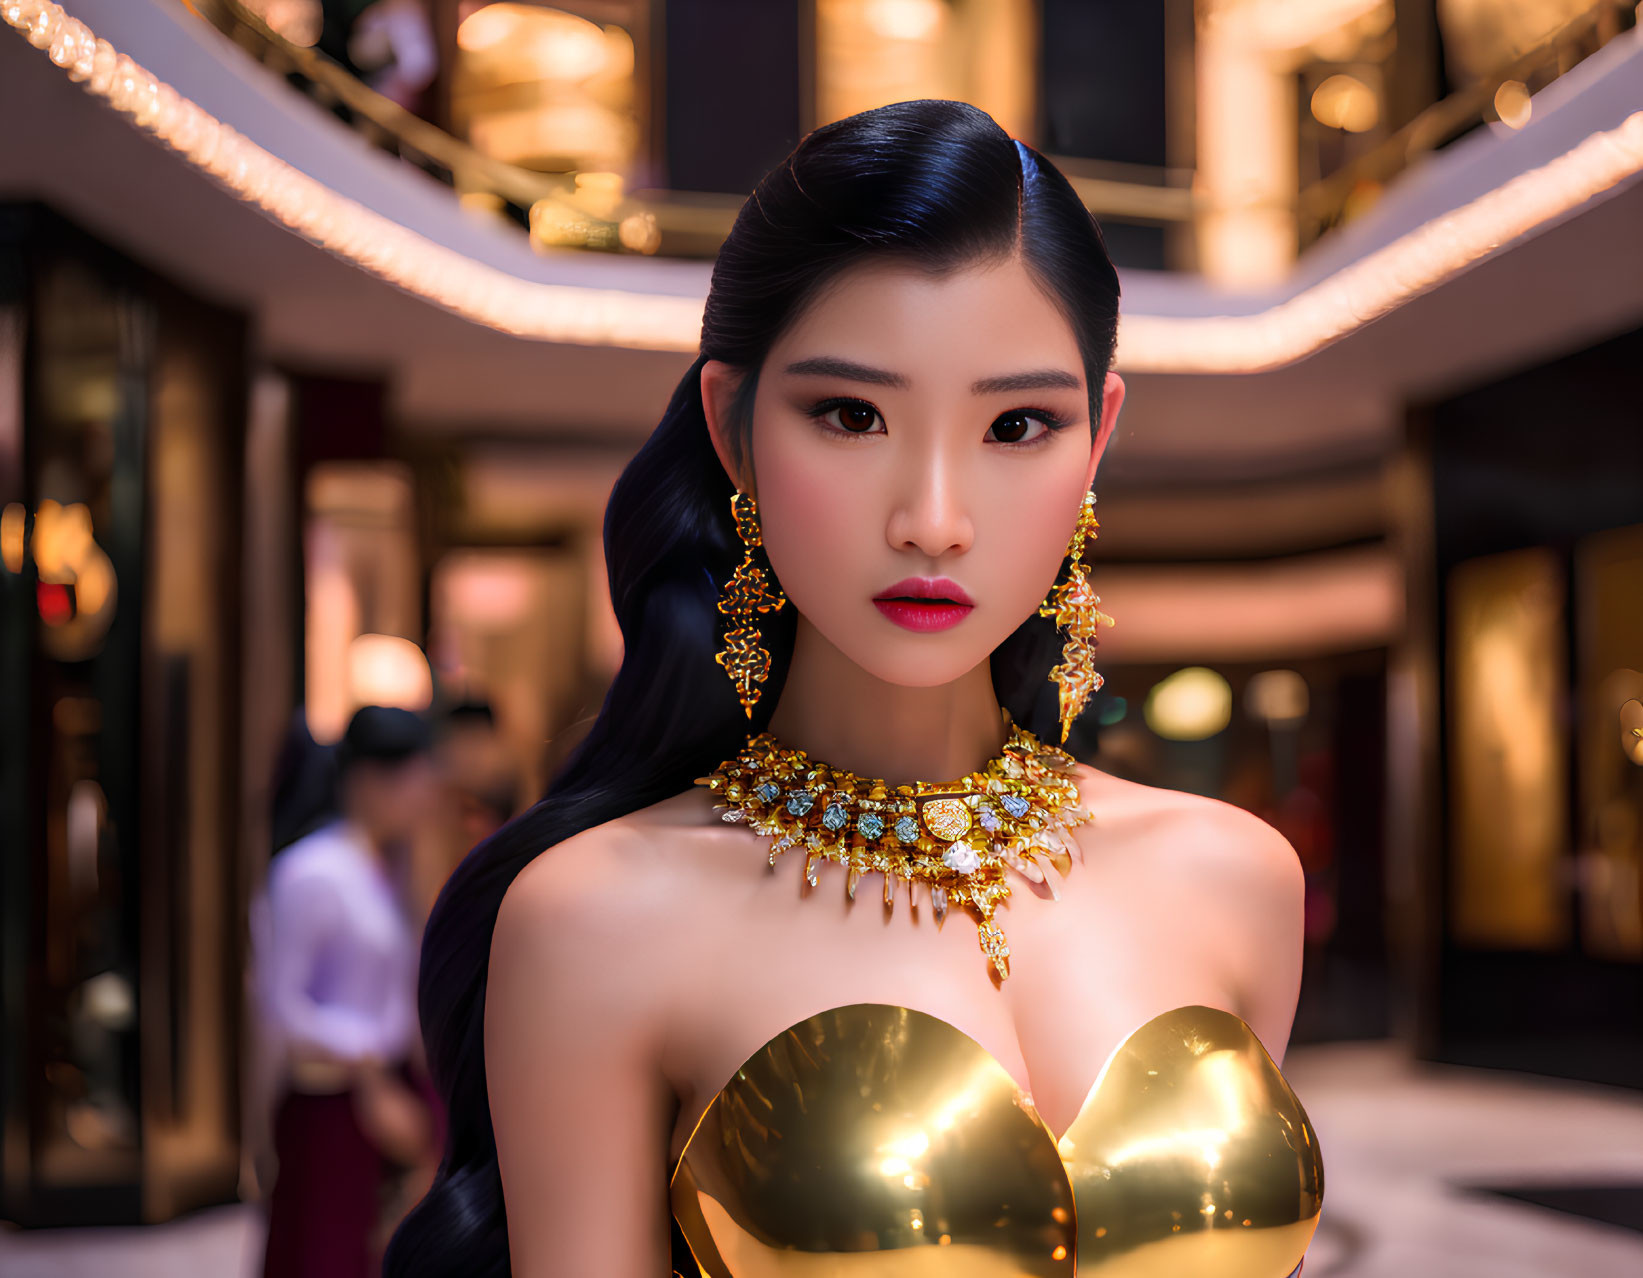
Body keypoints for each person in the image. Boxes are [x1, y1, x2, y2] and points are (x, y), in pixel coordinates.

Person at [384, 100, 1324, 1278]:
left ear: (1097, 441)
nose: (931, 519)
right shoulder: (592, 919)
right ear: (732, 428)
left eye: (1017, 424)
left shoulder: (1234, 878)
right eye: (850, 415)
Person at [253, 705, 441, 1278]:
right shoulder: (314, 871)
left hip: (372, 1100)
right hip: (330, 1102)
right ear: (369, 780)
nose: (423, 798)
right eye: (414, 780)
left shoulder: (381, 867)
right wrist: (369, 1079)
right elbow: (282, 1005)